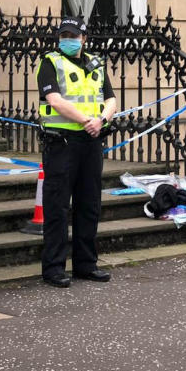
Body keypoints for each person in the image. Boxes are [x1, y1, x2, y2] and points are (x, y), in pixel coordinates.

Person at [37, 15, 118, 288]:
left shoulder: (96, 64)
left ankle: (86, 265)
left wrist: (102, 120)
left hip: (91, 142)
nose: (67, 40)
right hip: (62, 142)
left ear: (84, 38)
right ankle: (54, 268)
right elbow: (54, 100)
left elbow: (111, 98)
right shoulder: (50, 62)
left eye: (72, 36)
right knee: (58, 206)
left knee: (89, 204)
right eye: (63, 36)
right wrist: (86, 121)